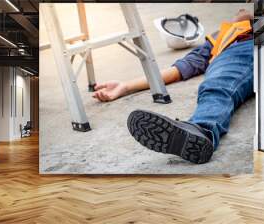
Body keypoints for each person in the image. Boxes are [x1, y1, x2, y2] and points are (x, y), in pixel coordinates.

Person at [92, 9, 254, 164]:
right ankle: (199, 133)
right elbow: (180, 69)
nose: (241, 10)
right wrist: (125, 86)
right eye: (238, 11)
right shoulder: (220, 38)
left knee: (218, 84)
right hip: (242, 54)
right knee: (218, 85)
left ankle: (201, 129)